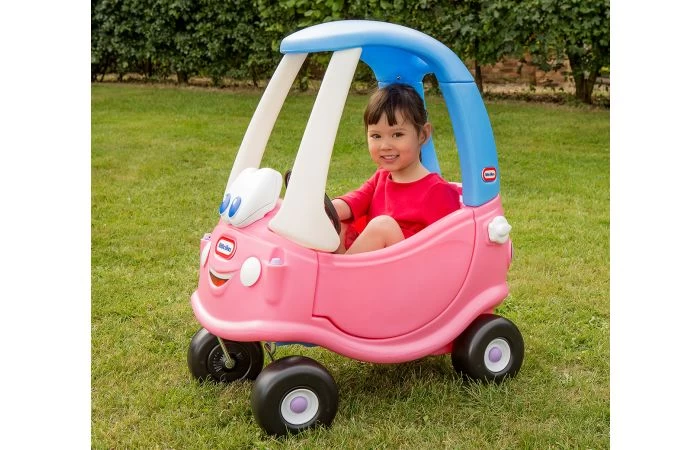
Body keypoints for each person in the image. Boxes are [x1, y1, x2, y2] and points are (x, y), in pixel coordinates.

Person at [332, 83, 461, 254]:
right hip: (374, 260)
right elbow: (356, 199)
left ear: (422, 135)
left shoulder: (437, 191)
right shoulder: (381, 177)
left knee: (383, 226)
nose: (385, 146)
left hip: (411, 266)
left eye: (397, 134)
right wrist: (330, 209)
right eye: (376, 136)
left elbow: (452, 244)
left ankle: (340, 270)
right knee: (337, 221)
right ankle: (329, 264)